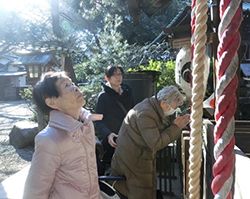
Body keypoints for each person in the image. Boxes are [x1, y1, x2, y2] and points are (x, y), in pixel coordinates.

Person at [23, 71, 103, 199]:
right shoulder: (49, 139)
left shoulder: (86, 124)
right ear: (52, 102)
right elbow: (34, 191)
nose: (75, 87)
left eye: (72, 83)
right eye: (66, 85)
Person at [110, 85, 190, 199]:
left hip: (137, 159)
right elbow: (155, 143)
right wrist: (176, 127)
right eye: (174, 108)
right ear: (164, 104)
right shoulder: (145, 114)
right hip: (133, 163)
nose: (174, 111)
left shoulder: (153, 107)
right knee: (139, 194)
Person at [95, 65, 134, 174]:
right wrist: (108, 134)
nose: (118, 77)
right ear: (107, 78)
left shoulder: (127, 91)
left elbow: (132, 112)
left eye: (120, 74)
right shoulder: (103, 96)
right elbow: (98, 120)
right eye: (114, 75)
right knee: (113, 169)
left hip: (128, 135)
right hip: (113, 140)